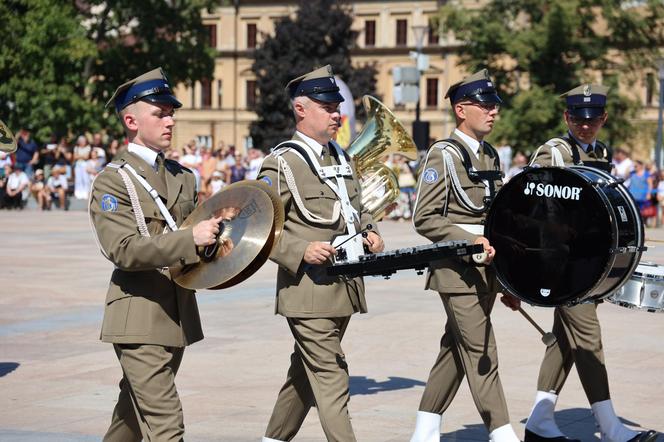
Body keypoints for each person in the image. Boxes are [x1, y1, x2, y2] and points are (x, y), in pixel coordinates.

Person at [88, 67, 223, 442]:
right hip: (137, 315)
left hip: (175, 311)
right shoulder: (113, 180)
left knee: (130, 419)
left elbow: (192, 240)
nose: (171, 120)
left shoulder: (183, 176)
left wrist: (216, 238)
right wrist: (190, 239)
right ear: (131, 120)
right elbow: (123, 250)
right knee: (166, 425)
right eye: (160, 113)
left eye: (171, 112)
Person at [257, 65, 384, 442]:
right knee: (332, 375)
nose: (336, 114)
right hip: (307, 291)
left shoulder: (340, 157)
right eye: (327, 107)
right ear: (300, 109)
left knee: (304, 374)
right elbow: (257, 227)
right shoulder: (282, 162)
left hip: (343, 287)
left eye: (337, 106)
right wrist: (299, 248)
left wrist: (371, 232)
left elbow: (357, 209)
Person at [526, 84, 657, 442]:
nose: (586, 126)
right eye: (578, 120)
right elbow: (535, 204)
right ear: (567, 118)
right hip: (561, 263)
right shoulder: (553, 151)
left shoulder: (600, 151)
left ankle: (538, 421)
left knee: (566, 342)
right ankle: (610, 427)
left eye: (593, 119)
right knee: (588, 337)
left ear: (603, 118)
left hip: (589, 261)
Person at [409, 69, 521, 442]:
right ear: (461, 109)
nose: (493, 112)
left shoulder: (488, 155)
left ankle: (425, 429)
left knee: (455, 348)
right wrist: (469, 239)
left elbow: (497, 219)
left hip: (488, 270)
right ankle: (502, 432)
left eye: (495, 106)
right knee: (482, 349)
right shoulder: (444, 155)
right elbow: (423, 217)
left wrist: (508, 278)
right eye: (485, 105)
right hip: (456, 272)